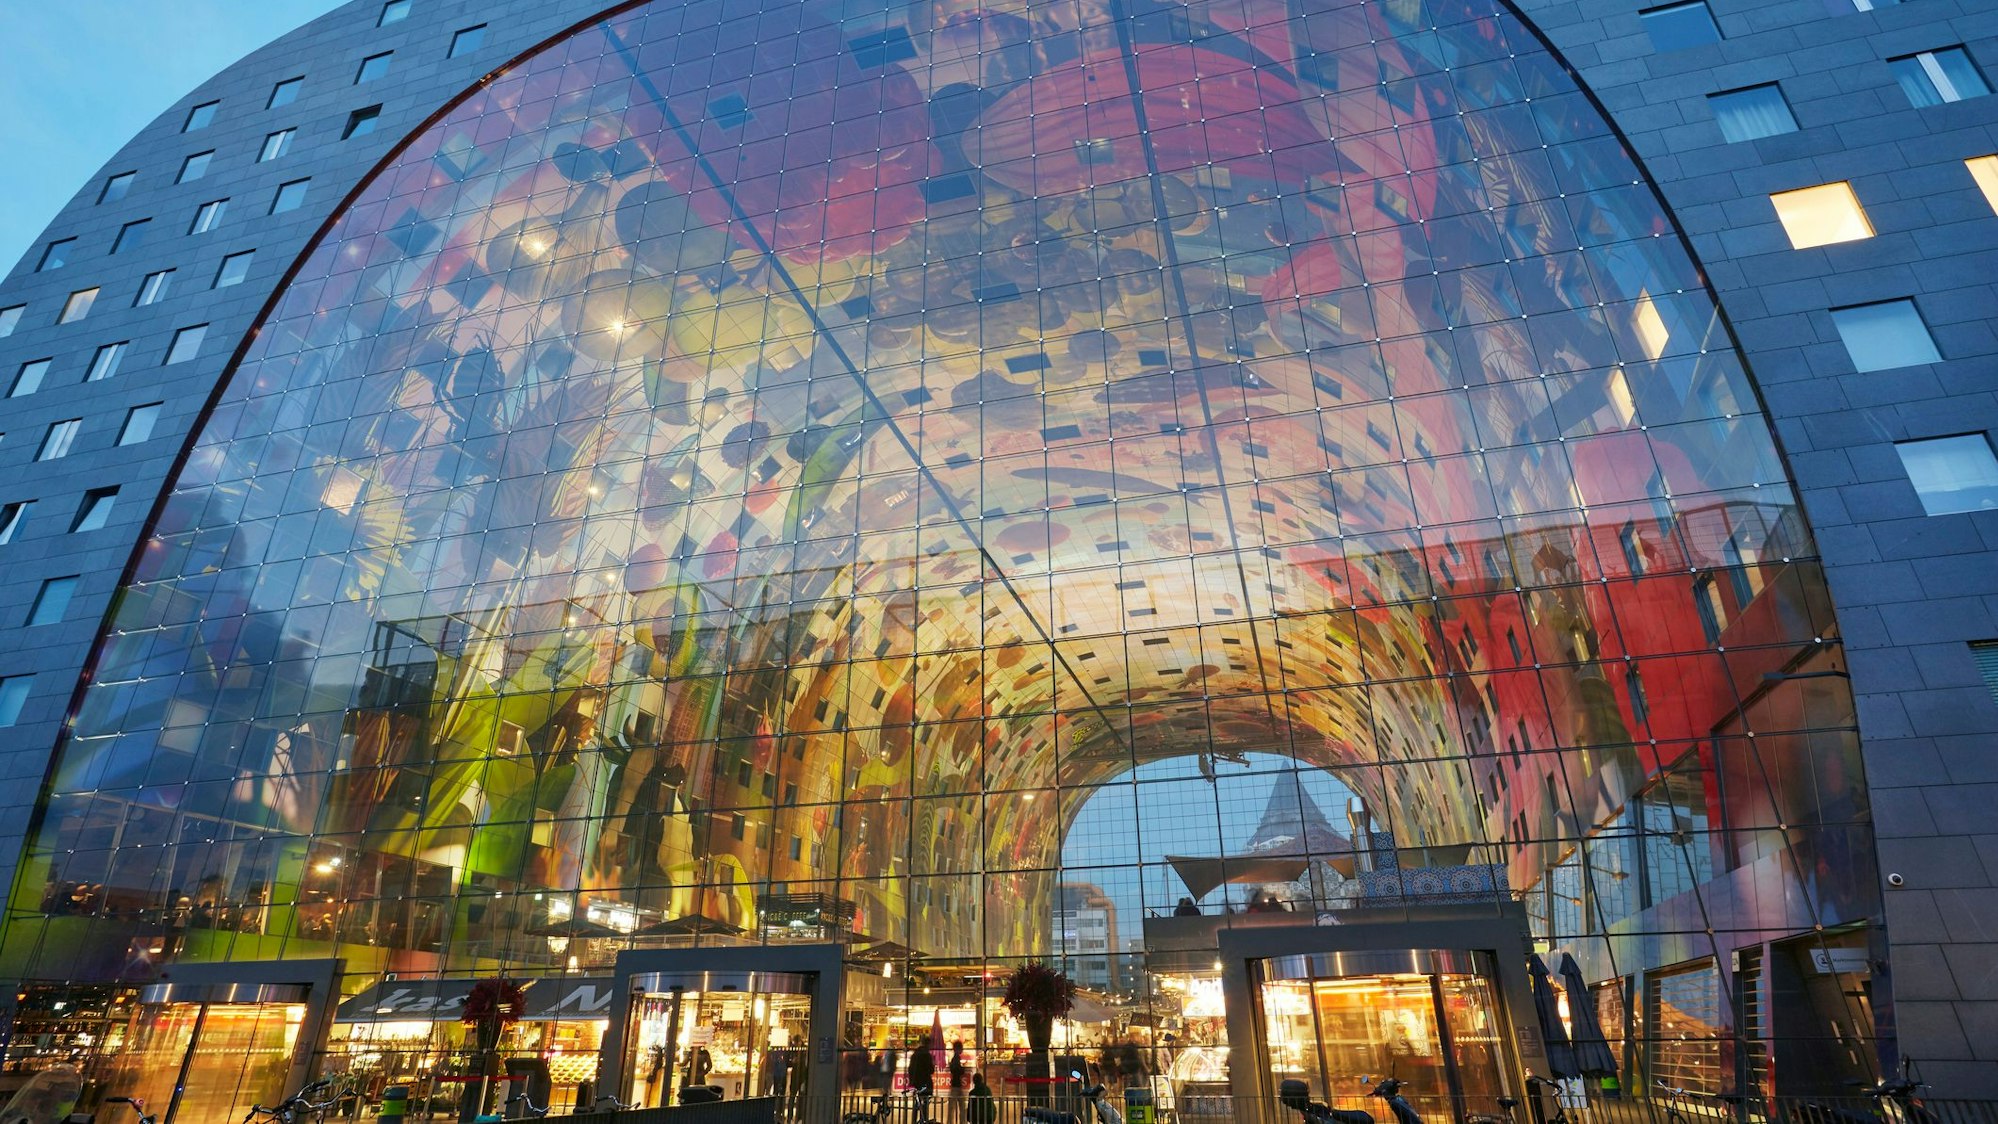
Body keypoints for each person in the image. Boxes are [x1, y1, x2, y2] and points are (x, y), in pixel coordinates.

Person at [907, 1033, 936, 1114]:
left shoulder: (915, 1054)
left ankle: (914, 1121)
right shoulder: (927, 1055)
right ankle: (923, 1120)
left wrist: (912, 1081)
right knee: (925, 1106)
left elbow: (910, 1069)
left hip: (916, 1083)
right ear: (928, 1044)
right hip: (925, 1084)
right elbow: (931, 1070)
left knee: (916, 1105)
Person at [947, 1040, 968, 1121]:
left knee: (953, 1107)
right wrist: (962, 1069)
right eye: (961, 1048)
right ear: (957, 1049)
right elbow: (956, 1070)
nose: (962, 1050)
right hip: (956, 1085)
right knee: (960, 1106)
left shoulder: (955, 1058)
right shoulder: (956, 1058)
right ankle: (962, 1121)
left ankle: (951, 1121)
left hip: (955, 1084)